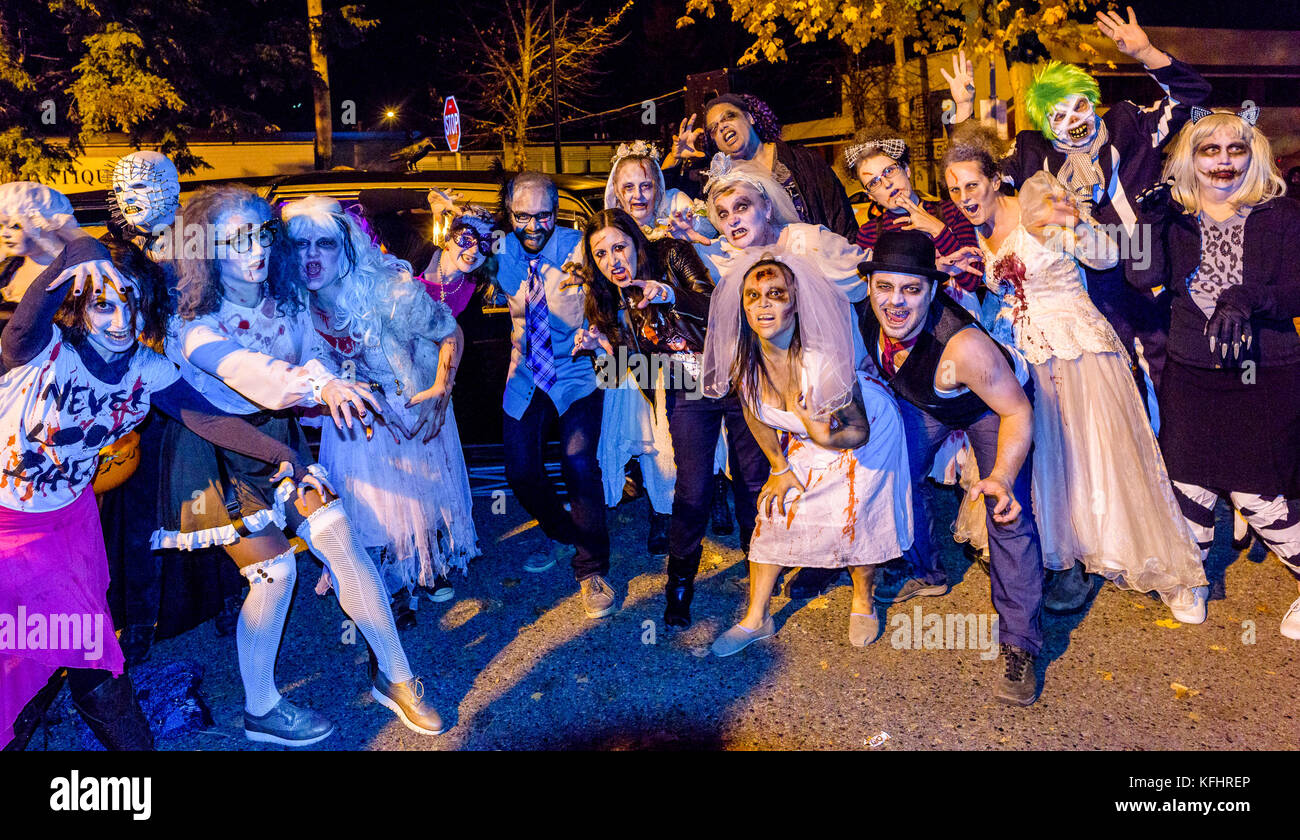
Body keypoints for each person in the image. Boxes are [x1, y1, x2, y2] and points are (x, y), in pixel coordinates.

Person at [1, 231, 324, 749]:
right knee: (55, 651)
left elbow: (210, 420)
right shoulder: (43, 350)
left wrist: (287, 454)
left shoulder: (144, 369)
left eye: (130, 300)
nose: (121, 319)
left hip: (69, 525)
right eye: (103, 303)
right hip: (9, 531)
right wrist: (71, 256)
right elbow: (20, 330)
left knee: (69, 648)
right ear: (77, 303)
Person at [156, 185, 445, 744]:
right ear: (207, 249)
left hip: (278, 440)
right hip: (217, 451)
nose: (257, 248)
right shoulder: (191, 320)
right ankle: (260, 708)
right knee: (275, 573)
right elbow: (251, 371)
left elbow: (311, 350)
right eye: (236, 238)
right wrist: (320, 382)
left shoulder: (284, 298)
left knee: (340, 537)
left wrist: (340, 373)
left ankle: (397, 676)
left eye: (262, 233)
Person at [945, 7, 1210, 418]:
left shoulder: (1128, 124)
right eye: (1060, 116)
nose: (1074, 122)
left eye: (1078, 107)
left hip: (1142, 265)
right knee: (1119, 386)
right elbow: (980, 173)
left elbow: (1192, 98)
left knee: (1164, 372)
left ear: (1092, 101)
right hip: (1083, 283)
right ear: (1047, 125)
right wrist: (962, 112)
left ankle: (1177, 467)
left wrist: (1147, 53)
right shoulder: (1033, 151)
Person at [981, 168, 1207, 621]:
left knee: (1098, 454)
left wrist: (1077, 223)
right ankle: (1058, 553)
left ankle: (1154, 566)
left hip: (1076, 353)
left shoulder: (1062, 231)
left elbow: (1105, 257)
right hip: (1029, 357)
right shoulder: (998, 236)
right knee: (1049, 458)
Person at [1129, 108, 1300, 640]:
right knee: (1189, 479)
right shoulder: (1175, 217)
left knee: (1256, 489)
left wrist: (1246, 298)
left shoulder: (1282, 214)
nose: (1223, 162)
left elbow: (1296, 289)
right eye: (1210, 150)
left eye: (1235, 150)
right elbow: (1141, 277)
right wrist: (1146, 224)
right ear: (1191, 158)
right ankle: (1190, 577)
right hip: (1192, 365)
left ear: (1254, 156)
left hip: (1256, 367)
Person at [860, 230, 1044, 705]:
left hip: (992, 407)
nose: (895, 303)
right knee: (897, 475)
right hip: (923, 398)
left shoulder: (964, 348)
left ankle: (1019, 643)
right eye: (885, 287)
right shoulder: (863, 314)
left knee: (1008, 514)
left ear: (934, 290)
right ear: (870, 286)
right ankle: (926, 571)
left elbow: (1016, 412)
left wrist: (1000, 475)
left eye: (912, 289)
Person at [703, 254, 912, 654]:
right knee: (774, 509)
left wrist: (818, 430)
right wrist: (779, 467)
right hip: (811, 431)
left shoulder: (822, 360)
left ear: (794, 301)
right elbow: (754, 412)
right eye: (753, 296)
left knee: (855, 511)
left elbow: (857, 430)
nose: (763, 304)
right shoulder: (743, 358)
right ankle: (756, 618)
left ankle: (863, 598)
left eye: (775, 294)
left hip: (864, 432)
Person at [284, 195, 478, 624]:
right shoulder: (292, 304)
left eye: (325, 243)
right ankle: (387, 590)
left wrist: (442, 390)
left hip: (414, 410)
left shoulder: (391, 292)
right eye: (300, 245)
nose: (312, 256)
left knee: (420, 502)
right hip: (357, 423)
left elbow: (451, 332)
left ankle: (421, 569)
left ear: (348, 246)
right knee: (370, 508)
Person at [573, 208, 715, 626]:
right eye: (600, 254)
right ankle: (680, 579)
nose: (613, 261)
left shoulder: (671, 254)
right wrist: (603, 349)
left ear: (637, 243)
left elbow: (716, 305)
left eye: (620, 247)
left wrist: (667, 293)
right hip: (682, 386)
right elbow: (636, 374)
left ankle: (769, 561)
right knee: (691, 483)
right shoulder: (607, 297)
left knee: (751, 478)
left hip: (724, 370)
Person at [496, 171, 614, 619]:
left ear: (556, 210)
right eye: (522, 216)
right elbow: (453, 272)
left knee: (578, 461)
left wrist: (600, 331)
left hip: (578, 372)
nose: (532, 227)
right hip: (525, 373)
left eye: (542, 215)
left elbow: (617, 285)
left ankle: (592, 568)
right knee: (521, 471)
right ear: (509, 213)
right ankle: (563, 531)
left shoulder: (582, 247)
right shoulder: (501, 250)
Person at [666, 93, 858, 240]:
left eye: (728, 117)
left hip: (820, 261)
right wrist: (675, 157)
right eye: (714, 128)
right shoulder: (719, 182)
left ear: (750, 117)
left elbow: (840, 214)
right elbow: (662, 193)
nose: (722, 127)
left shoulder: (802, 160)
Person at [844, 126, 982, 298]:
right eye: (874, 182)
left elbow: (973, 280)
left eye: (889, 171)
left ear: (907, 170)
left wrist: (937, 229)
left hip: (958, 319)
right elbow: (875, 296)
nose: (887, 184)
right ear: (871, 196)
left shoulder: (951, 212)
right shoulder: (869, 233)